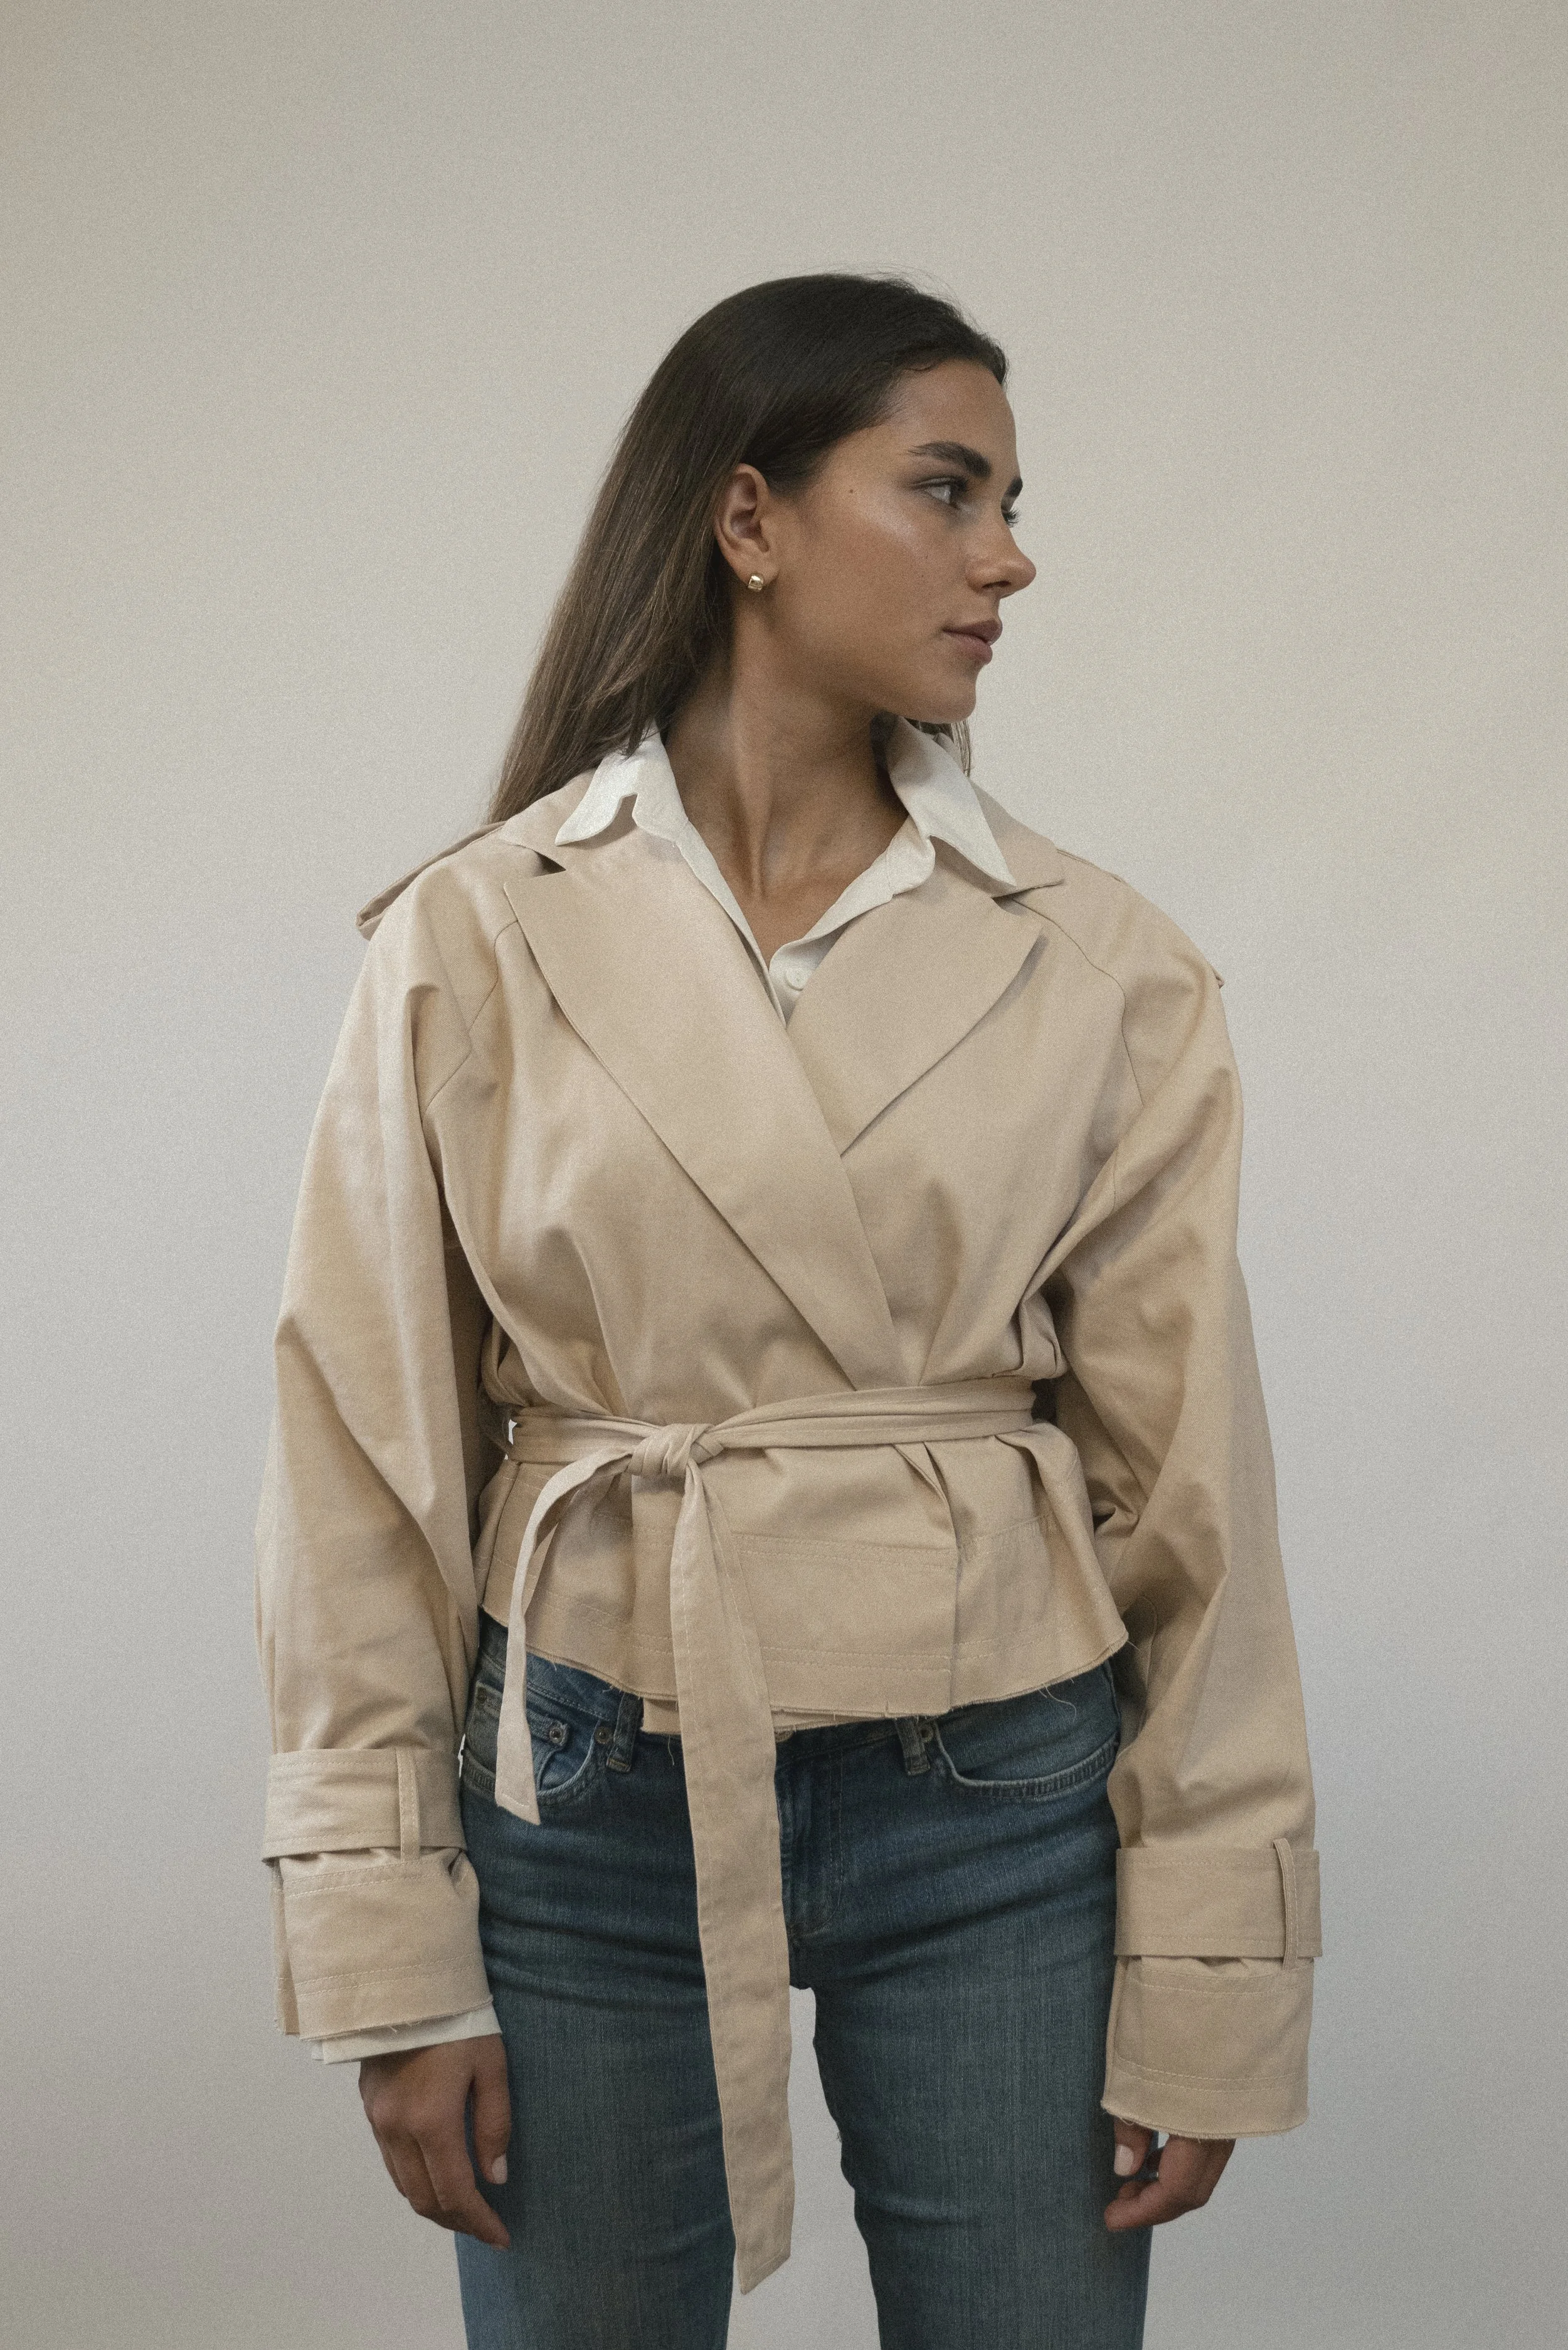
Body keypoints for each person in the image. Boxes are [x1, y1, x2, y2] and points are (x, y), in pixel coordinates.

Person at [255, 272, 1321, 2350]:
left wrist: (1204, 1968)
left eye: (1009, 500)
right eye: (944, 490)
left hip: (1001, 1787)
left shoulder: (1101, 963)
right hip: (581, 1775)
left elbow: (1188, 1492)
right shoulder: (471, 941)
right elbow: (363, 1459)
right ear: (748, 520)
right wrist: (391, 1947)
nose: (1006, 558)